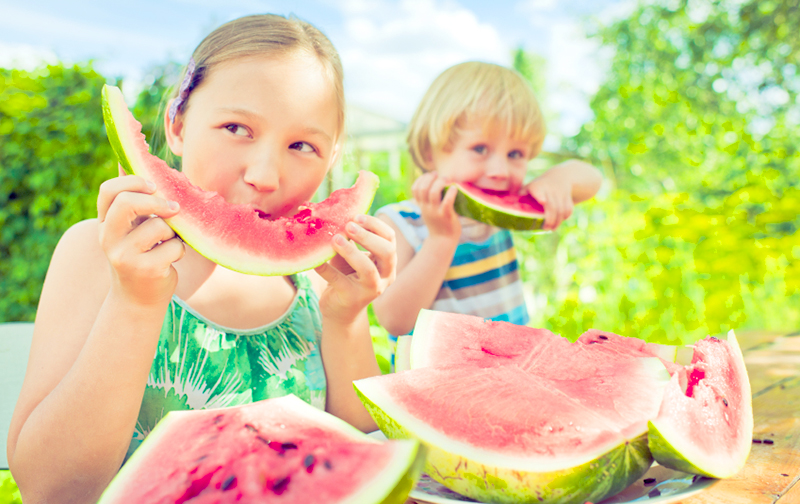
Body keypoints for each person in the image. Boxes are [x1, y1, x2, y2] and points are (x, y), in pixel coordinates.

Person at [6, 14, 395, 503]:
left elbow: (359, 447)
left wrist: (346, 317)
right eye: (237, 127)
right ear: (177, 124)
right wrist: (135, 303)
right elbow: (50, 488)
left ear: (332, 158)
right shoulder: (95, 254)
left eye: (303, 145)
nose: (265, 174)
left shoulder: (316, 285)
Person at [372, 61, 602, 339]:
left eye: (516, 154)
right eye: (480, 148)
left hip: (513, 368)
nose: (500, 171)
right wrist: (441, 241)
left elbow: (592, 179)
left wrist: (561, 179)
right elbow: (394, 321)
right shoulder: (400, 223)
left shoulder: (506, 207)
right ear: (429, 152)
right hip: (440, 379)